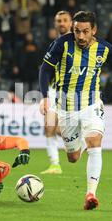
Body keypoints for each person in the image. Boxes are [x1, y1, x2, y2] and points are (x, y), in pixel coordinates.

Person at [39, 11, 112, 210]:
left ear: (93, 30)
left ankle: (90, 194)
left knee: (95, 142)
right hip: (66, 109)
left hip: (91, 106)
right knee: (73, 158)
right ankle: (78, 141)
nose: (80, 36)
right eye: (77, 31)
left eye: (85, 31)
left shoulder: (105, 49)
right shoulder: (62, 44)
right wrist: (45, 96)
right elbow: (44, 69)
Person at [40, 10, 72, 175]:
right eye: (58, 20)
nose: (61, 23)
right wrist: (44, 95)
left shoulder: (78, 43)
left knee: (60, 128)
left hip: (72, 93)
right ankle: (55, 164)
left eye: (65, 20)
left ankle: (76, 142)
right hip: (54, 90)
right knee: (49, 126)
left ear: (71, 22)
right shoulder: (54, 44)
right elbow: (45, 71)